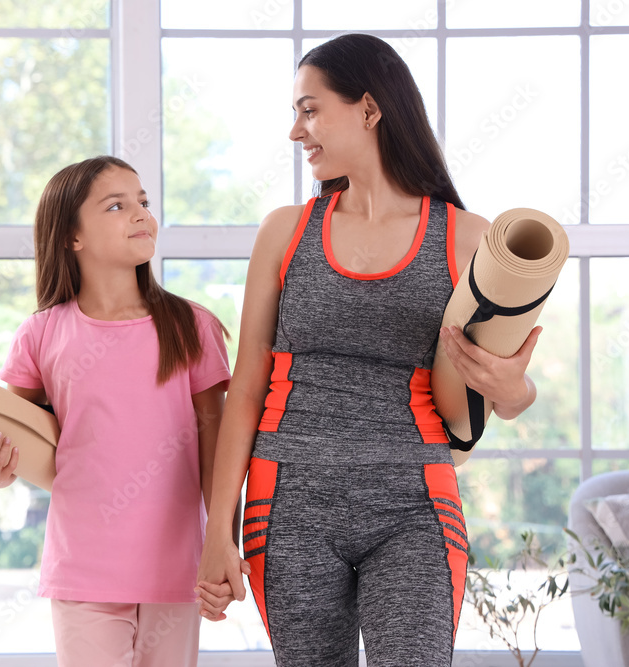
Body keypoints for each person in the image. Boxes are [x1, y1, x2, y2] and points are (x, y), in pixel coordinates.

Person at [193, 34, 543, 666]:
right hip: (288, 502)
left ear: (369, 109)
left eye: (309, 109)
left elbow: (508, 396)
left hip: (416, 503)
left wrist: (513, 388)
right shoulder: (284, 232)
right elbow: (244, 389)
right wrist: (218, 530)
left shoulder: (467, 237)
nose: (296, 132)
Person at [0, 155, 237, 667]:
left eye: (143, 201)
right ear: (71, 237)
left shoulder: (193, 326)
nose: (141, 213)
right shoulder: (41, 334)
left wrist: (222, 543)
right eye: (117, 205)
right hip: (83, 570)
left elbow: (218, 447)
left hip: (177, 568)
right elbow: (15, 436)